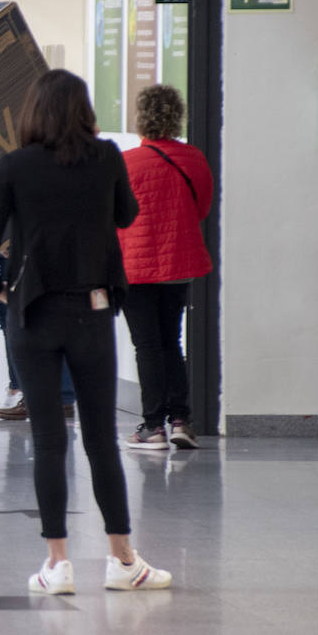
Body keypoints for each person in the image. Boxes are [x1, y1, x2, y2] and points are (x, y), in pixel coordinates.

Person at [0, 69, 170, 595]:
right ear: (82, 109)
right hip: (92, 310)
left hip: (32, 313)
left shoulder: (14, 165)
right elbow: (126, 215)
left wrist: (0, 289)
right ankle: (122, 559)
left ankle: (57, 564)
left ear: (34, 111)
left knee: (48, 439)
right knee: (102, 438)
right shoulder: (105, 157)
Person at [116, 85, 213, 451]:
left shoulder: (127, 163)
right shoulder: (195, 159)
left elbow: (116, 217)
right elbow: (201, 210)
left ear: (141, 118)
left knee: (147, 346)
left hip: (136, 268)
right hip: (177, 264)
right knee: (171, 341)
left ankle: (152, 426)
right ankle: (181, 421)